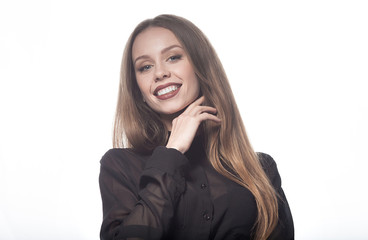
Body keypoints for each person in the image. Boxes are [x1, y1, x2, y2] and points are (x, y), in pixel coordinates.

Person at [99, 14, 294, 240]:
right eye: (145, 67)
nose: (160, 73)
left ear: (201, 67)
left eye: (173, 57)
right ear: (137, 90)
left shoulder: (260, 170)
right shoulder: (119, 166)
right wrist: (172, 153)